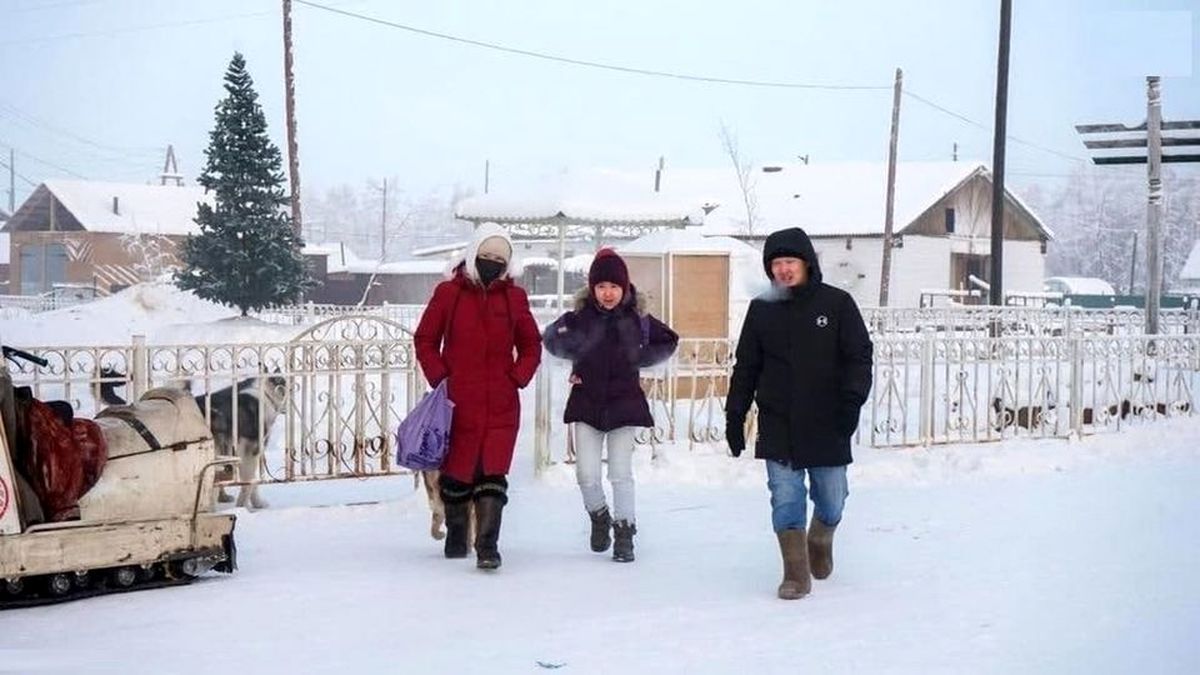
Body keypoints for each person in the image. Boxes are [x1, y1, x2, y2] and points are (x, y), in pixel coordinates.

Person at [725, 227, 873, 599]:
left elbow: (859, 358)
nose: (783, 270)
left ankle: (821, 536)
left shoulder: (836, 305)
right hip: (779, 421)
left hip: (828, 420)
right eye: (776, 263)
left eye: (790, 261)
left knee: (832, 497)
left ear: (806, 262)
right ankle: (795, 573)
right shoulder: (762, 309)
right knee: (785, 496)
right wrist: (735, 414)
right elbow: (746, 367)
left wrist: (851, 402)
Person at [413, 223, 542, 570]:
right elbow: (425, 339)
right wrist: (442, 377)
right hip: (458, 402)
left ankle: (488, 546)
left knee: (492, 474)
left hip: (501, 403)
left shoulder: (514, 298)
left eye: (498, 259)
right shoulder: (449, 294)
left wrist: (518, 376)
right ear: (472, 256)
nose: (491, 263)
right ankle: (457, 536)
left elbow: (531, 344)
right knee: (457, 475)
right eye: (485, 256)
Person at [542, 248, 678, 562]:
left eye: (614, 286)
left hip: (623, 406)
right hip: (587, 405)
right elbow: (550, 338)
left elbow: (670, 339)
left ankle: (625, 533)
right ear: (592, 288)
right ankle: (599, 516)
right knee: (586, 475)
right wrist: (571, 356)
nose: (608, 293)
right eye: (601, 286)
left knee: (620, 474)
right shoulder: (579, 318)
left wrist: (640, 358)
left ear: (624, 287)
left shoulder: (638, 319)